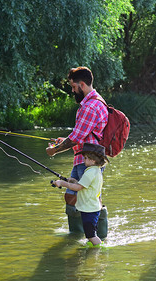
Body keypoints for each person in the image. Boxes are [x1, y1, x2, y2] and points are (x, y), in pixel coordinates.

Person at [46, 66, 108, 235]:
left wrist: (55, 151)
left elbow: (76, 138)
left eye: (74, 87)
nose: (73, 91)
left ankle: (95, 235)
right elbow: (79, 134)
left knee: (87, 198)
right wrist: (63, 141)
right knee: (74, 196)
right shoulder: (93, 102)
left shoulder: (90, 106)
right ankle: (81, 234)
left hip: (88, 161)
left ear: (82, 84)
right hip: (84, 159)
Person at [52, 143, 109, 246]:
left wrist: (62, 183)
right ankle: (93, 244)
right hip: (91, 208)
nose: (83, 160)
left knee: (90, 235)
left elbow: (78, 188)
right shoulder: (95, 171)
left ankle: (99, 248)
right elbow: (82, 184)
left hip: (90, 209)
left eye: (86, 158)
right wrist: (72, 181)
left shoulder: (90, 172)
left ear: (93, 160)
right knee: (91, 231)